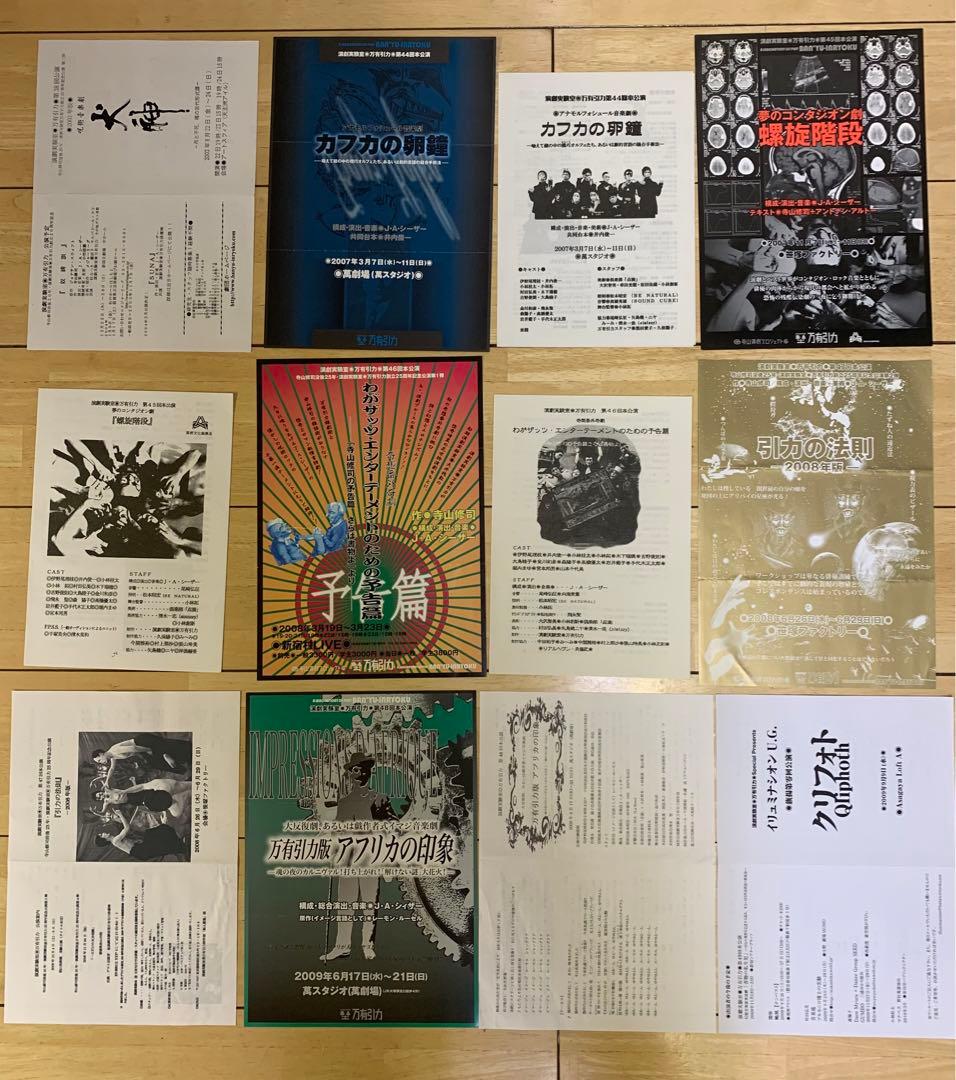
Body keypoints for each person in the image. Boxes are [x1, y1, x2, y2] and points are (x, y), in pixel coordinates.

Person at [320, 752, 397, 962]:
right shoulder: (344, 802)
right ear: (350, 774)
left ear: (369, 772)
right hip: (347, 859)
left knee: (369, 904)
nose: (359, 773)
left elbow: (393, 825)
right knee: (345, 903)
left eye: (363, 769)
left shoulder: (379, 797)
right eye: (355, 769)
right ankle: (342, 946)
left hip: (370, 858)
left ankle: (367, 946)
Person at [95, 810, 188, 861]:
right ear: (104, 839)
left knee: (153, 836)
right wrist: (120, 814)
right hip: (140, 851)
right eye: (102, 835)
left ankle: (180, 845)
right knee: (154, 835)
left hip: (140, 849)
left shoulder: (115, 839)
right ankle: (181, 846)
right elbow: (126, 828)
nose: (104, 833)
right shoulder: (115, 841)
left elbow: (128, 830)